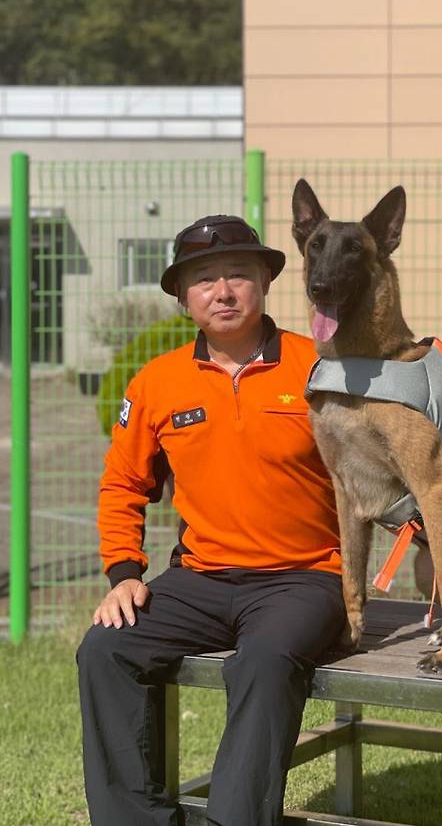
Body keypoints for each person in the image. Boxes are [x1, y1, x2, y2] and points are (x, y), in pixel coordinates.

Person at [76, 215, 346, 826]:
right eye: (203, 280)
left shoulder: (320, 369)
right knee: (105, 649)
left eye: (237, 276)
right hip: (199, 578)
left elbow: (381, 471)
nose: (222, 292)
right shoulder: (156, 382)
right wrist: (123, 573)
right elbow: (123, 483)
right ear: (183, 297)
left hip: (304, 578)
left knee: (265, 659)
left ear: (265, 283)